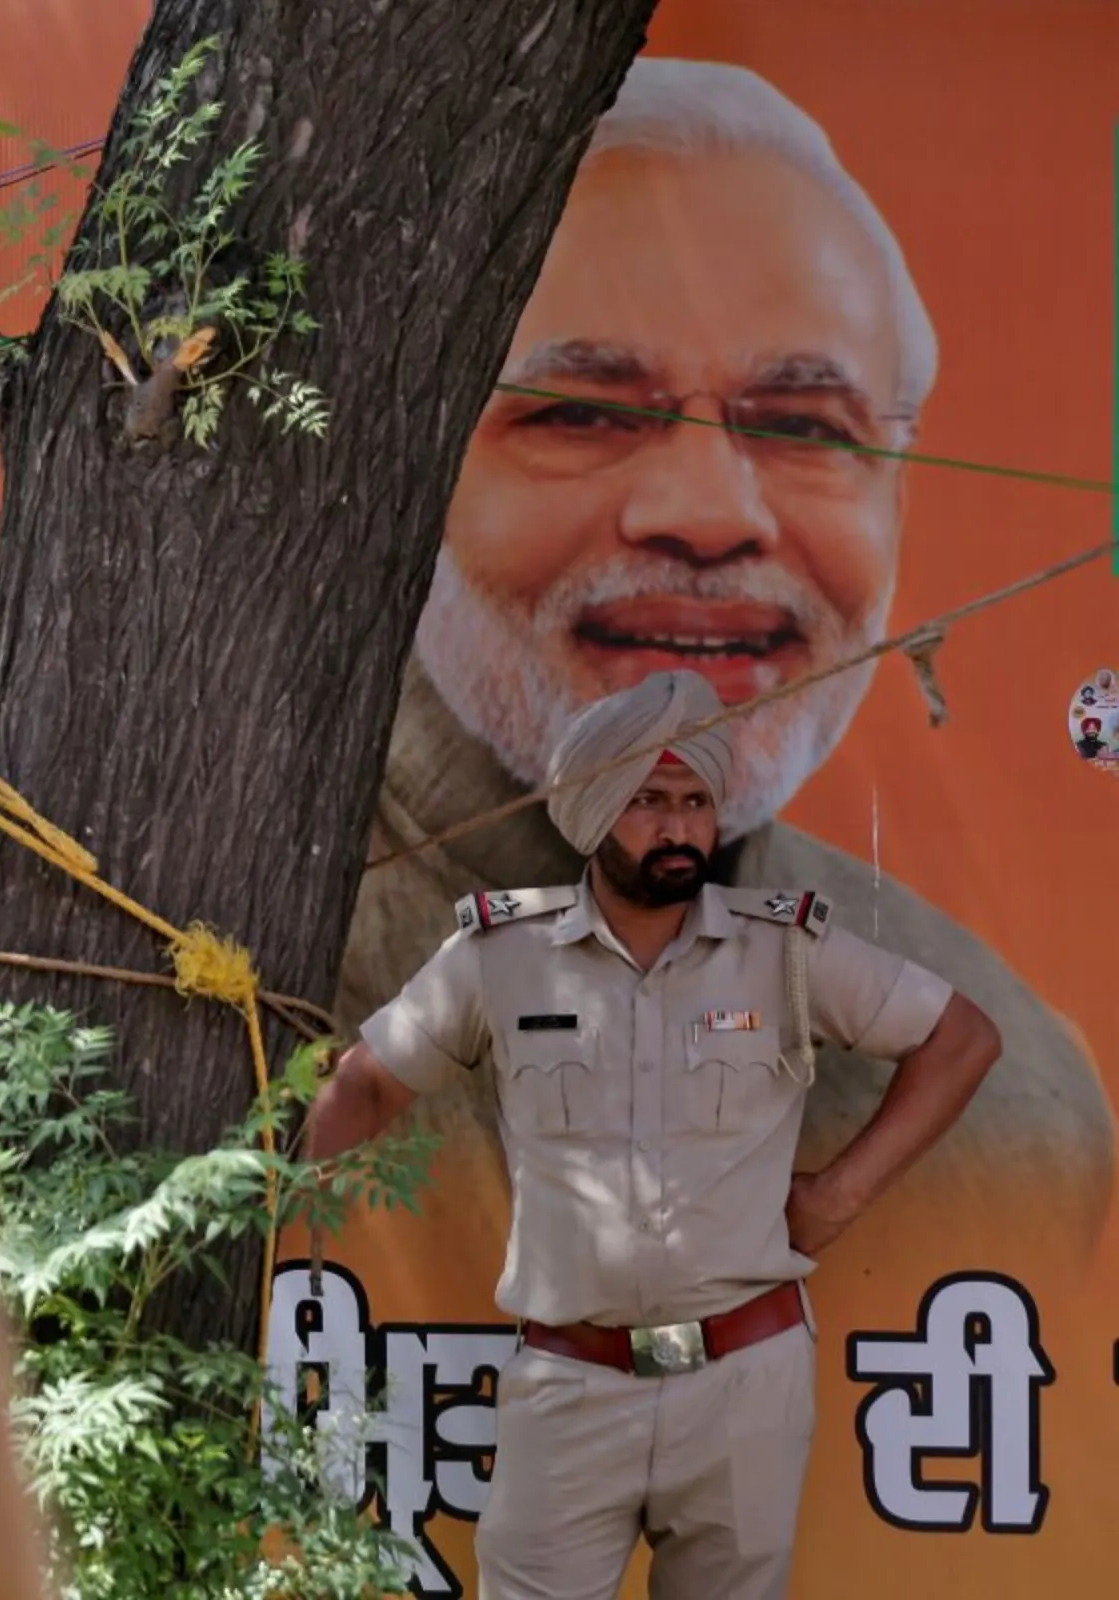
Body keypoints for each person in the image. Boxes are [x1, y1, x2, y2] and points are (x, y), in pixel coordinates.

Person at [336, 56, 1111, 1262]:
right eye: (583, 411)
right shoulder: (242, 942)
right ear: (413, 463)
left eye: (804, 428)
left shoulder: (1029, 1116)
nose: (707, 513)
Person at [302, 672, 1001, 1599]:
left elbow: (960, 1041)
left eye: (695, 802)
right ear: (593, 814)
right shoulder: (501, 957)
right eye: (648, 802)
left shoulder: (785, 951)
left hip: (743, 1383)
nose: (678, 828)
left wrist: (836, 1196)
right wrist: (255, 1192)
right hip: (570, 1388)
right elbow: (372, 1085)